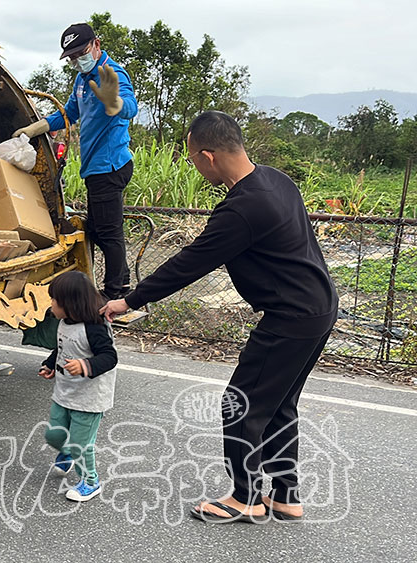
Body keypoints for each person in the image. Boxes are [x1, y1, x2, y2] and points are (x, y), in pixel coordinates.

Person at [101, 111, 339, 524]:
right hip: (319, 306)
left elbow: (191, 262)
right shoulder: (276, 180)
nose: (194, 165)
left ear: (208, 156)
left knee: (240, 404)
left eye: (192, 157)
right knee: (278, 404)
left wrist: (130, 300)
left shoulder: (243, 208)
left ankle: (245, 497)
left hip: (291, 317)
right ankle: (285, 495)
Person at [13, 22, 138, 300]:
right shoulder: (82, 80)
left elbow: (131, 107)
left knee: (108, 232)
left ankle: (115, 293)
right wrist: (36, 127)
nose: (77, 60)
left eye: (81, 53)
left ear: (96, 45)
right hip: (94, 168)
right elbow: (69, 113)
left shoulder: (112, 73)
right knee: (98, 229)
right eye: (71, 57)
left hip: (110, 165)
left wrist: (115, 102)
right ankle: (119, 283)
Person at [38, 270, 118, 502]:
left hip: (89, 398)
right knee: (54, 435)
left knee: (81, 444)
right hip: (64, 392)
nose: (51, 304)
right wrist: (51, 364)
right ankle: (67, 453)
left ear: (70, 304)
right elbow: (62, 346)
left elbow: (109, 357)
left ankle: (91, 482)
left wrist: (85, 365)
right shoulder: (65, 322)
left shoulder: (94, 328)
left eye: (54, 300)